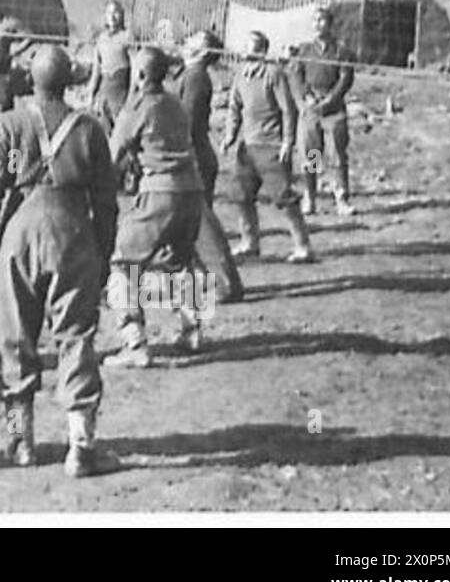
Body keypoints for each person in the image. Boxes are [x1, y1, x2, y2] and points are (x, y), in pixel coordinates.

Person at [0, 46, 119, 477]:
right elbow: (106, 205)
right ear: (70, 80)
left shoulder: (11, 125)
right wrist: (102, 257)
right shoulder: (89, 131)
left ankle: (20, 441)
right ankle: (81, 449)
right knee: (76, 338)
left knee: (15, 341)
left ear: (29, 80)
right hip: (73, 235)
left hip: (20, 234)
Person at [105, 47, 207, 368]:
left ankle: (134, 342)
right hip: (192, 190)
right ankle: (193, 329)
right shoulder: (175, 103)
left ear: (140, 75)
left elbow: (112, 156)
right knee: (179, 259)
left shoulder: (136, 107)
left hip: (160, 191)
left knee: (123, 262)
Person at [221, 30, 314, 264]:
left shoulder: (273, 74)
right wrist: (229, 136)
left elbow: (288, 110)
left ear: (262, 51)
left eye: (254, 49)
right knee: (241, 195)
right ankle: (249, 243)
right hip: (248, 146)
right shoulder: (240, 75)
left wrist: (287, 142)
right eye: (247, 48)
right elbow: (234, 107)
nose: (249, 54)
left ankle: (303, 247)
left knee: (284, 198)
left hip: (271, 146)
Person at [176, 30, 244, 304]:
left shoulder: (195, 78)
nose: (186, 39)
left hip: (194, 155)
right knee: (190, 225)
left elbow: (188, 123)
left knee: (202, 223)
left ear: (202, 51)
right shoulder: (190, 74)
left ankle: (226, 283)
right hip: (195, 154)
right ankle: (202, 279)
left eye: (193, 38)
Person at [293, 6, 356, 217]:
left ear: (330, 24)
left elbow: (346, 78)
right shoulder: (304, 51)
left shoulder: (341, 50)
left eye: (322, 20)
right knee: (312, 155)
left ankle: (341, 199)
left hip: (334, 110)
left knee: (337, 154)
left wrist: (330, 100)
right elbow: (297, 77)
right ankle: (310, 197)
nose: (318, 24)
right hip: (311, 109)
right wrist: (307, 98)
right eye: (315, 20)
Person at [86, 0, 133, 130]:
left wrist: (132, 95)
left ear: (122, 15)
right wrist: (91, 93)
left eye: (116, 13)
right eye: (109, 13)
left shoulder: (127, 37)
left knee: (121, 129)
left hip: (121, 91)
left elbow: (135, 67)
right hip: (105, 90)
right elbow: (96, 70)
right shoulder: (101, 38)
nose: (112, 17)